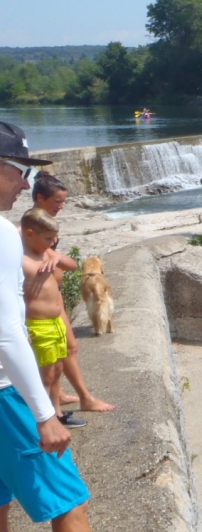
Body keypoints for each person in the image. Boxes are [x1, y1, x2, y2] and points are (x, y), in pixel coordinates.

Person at [0, 121, 160, 532]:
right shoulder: (1, 234)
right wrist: (45, 412)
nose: (26, 184)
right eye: (19, 171)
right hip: (5, 395)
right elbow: (6, 332)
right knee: (68, 500)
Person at [31, 173, 115, 414]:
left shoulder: (45, 223)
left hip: (54, 294)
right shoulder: (29, 227)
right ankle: (82, 399)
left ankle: (62, 395)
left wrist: (56, 258)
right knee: (61, 353)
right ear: (40, 198)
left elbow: (63, 262)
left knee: (68, 349)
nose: (61, 206)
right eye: (57, 201)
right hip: (41, 298)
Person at [20, 208, 84, 429]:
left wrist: (56, 257)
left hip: (55, 322)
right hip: (39, 326)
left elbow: (73, 265)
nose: (52, 243)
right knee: (45, 376)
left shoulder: (45, 252)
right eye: (48, 239)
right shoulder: (21, 259)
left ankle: (56, 414)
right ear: (29, 234)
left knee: (56, 371)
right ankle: (40, 422)